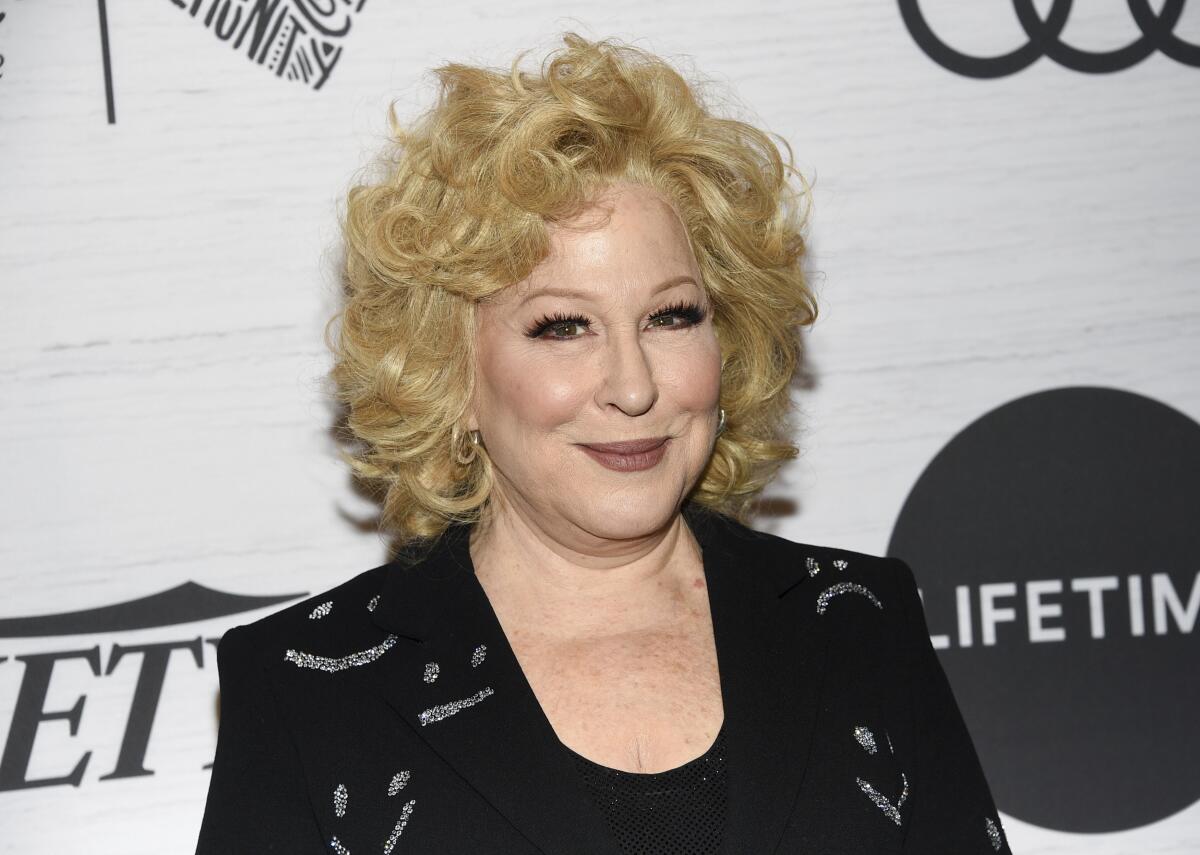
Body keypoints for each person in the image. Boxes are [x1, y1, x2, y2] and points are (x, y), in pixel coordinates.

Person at [195, 33, 1011, 855]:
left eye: (671, 316)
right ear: (454, 375)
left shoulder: (859, 622)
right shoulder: (312, 684)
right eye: (563, 326)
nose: (633, 386)